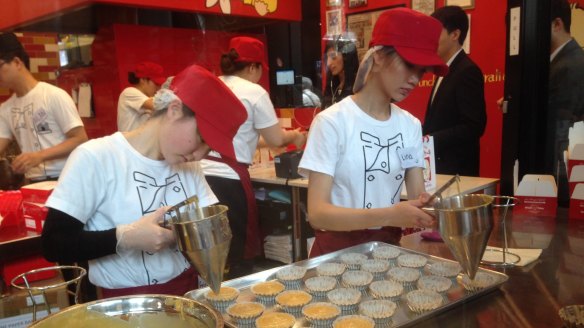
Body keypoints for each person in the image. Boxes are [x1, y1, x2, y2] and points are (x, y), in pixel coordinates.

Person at [41, 64, 248, 298]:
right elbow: (54, 243)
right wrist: (124, 238)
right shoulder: (97, 158)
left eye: (208, 148)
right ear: (174, 109)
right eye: (201, 139)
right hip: (126, 305)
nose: (199, 154)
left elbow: (207, 226)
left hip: (188, 293)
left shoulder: (189, 165)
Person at [298, 8, 445, 257]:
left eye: (421, 71)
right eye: (409, 64)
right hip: (336, 256)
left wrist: (428, 207)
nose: (415, 79)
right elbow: (318, 213)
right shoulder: (332, 122)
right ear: (377, 56)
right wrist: (391, 213)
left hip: (387, 251)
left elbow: (418, 193)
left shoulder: (409, 125)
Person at [200, 36, 306, 278]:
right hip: (227, 181)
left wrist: (284, 136)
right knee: (235, 254)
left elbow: (238, 138)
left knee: (210, 251)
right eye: (260, 70)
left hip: (198, 176)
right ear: (252, 67)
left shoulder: (212, 85)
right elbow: (275, 140)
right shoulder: (254, 92)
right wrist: (295, 137)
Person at [0, 32, 88, 182]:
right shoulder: (6, 108)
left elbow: (80, 139)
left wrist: (39, 155)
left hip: (68, 178)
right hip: (34, 183)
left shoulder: (53, 95)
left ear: (17, 62)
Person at [422, 6, 487, 177]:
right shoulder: (445, 69)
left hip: (456, 171)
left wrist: (430, 139)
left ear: (455, 35)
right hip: (438, 167)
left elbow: (473, 126)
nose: (430, 39)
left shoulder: (467, 71)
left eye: (436, 32)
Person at [547, 0, 584, 205]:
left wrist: (557, 180)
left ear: (557, 24)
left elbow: (562, 129)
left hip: (562, 176)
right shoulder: (564, 61)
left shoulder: (569, 66)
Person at [117, 61, 166, 132]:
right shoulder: (129, 92)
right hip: (129, 142)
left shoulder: (148, 98)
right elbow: (156, 104)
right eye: (156, 83)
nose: (158, 87)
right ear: (143, 79)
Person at [321, 37, 360, 109]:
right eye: (327, 58)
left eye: (333, 57)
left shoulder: (359, 86)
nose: (328, 63)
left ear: (346, 57)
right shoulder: (332, 84)